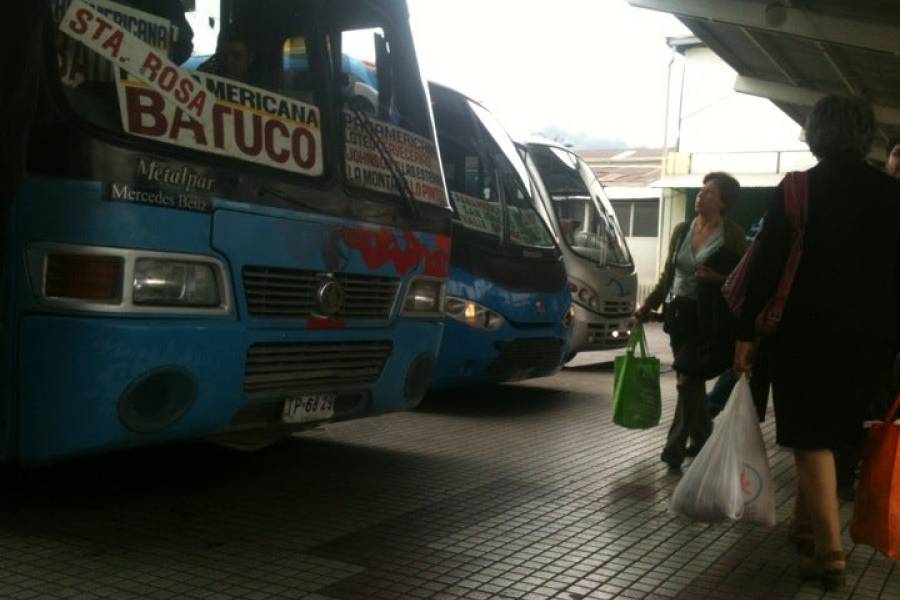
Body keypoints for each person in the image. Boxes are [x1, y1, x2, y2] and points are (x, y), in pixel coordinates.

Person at [734, 95, 900, 591]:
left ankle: (830, 551)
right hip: (872, 335)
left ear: (816, 133)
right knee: (836, 431)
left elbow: (765, 265)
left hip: (804, 330)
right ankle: (805, 526)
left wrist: (745, 332)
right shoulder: (892, 194)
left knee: (809, 435)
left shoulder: (798, 188)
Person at [635, 172, 747, 470]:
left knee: (687, 380)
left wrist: (719, 278)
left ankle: (673, 449)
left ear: (723, 201)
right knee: (690, 382)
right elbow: (667, 274)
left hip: (709, 316)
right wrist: (649, 304)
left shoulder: (733, 234)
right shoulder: (682, 229)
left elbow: (745, 278)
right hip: (679, 314)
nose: (701, 195)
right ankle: (705, 441)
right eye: (701, 190)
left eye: (709, 192)